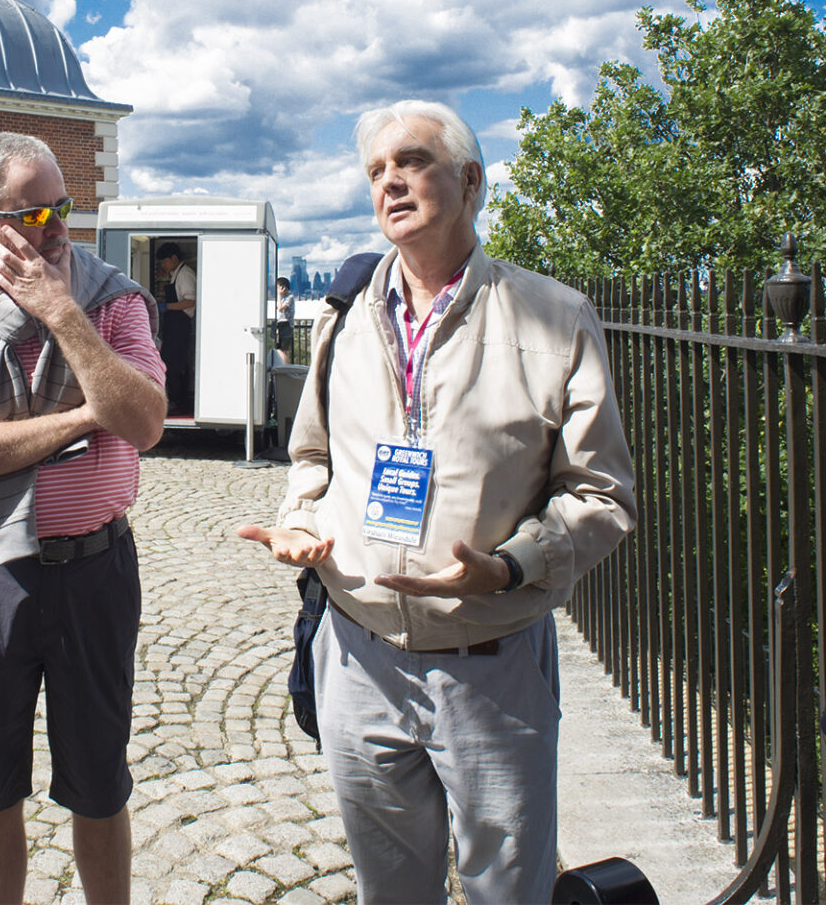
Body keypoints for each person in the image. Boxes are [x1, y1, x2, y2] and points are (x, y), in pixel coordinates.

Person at [237, 100, 637, 903]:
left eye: (411, 162)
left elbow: (601, 493)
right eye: (376, 171)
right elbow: (312, 456)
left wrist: (511, 565)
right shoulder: (344, 314)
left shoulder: (553, 316)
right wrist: (302, 522)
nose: (390, 182)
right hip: (358, 653)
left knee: (507, 890)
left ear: (470, 181)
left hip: (490, 663)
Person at [0, 132, 166, 904]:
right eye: (38, 213)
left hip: (95, 566)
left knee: (98, 781)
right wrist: (83, 418)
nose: (59, 227)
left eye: (65, 206)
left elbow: (144, 421)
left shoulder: (111, 298)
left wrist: (61, 312)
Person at [154, 242, 196, 415]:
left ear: (174, 258)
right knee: (171, 363)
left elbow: (190, 301)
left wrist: (166, 306)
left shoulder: (185, 274)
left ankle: (178, 403)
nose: (163, 265)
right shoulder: (175, 274)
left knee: (175, 364)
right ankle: (175, 400)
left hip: (180, 325)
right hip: (173, 325)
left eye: (165, 261)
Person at [274, 275, 295, 360]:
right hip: (280, 324)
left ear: (283, 287)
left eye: (278, 288)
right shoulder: (281, 298)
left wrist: (279, 295)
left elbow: (280, 308)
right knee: (279, 349)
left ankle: (285, 365)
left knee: (285, 349)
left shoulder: (290, 297)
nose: (277, 290)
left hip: (287, 325)